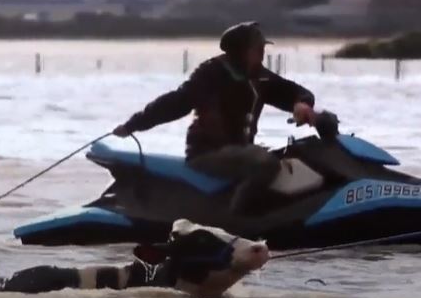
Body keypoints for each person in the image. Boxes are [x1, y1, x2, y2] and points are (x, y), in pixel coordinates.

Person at [112, 21, 316, 214]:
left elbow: (291, 91)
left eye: (263, 49)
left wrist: (302, 103)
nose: (262, 54)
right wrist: (133, 124)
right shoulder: (211, 73)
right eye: (257, 49)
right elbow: (174, 103)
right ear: (241, 52)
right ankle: (239, 216)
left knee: (289, 157)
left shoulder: (259, 76)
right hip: (207, 154)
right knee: (265, 163)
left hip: (241, 153)